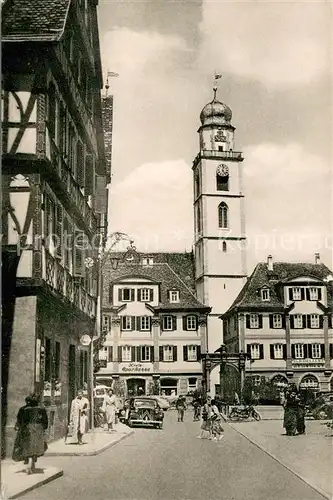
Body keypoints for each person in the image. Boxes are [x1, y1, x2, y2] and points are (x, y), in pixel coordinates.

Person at [13, 393, 48, 474]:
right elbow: (45, 420)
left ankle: (28, 461)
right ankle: (33, 462)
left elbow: (19, 419)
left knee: (27, 446)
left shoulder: (24, 409)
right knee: (35, 446)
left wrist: (18, 426)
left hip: (27, 429)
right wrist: (44, 428)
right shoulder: (41, 409)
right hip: (38, 429)